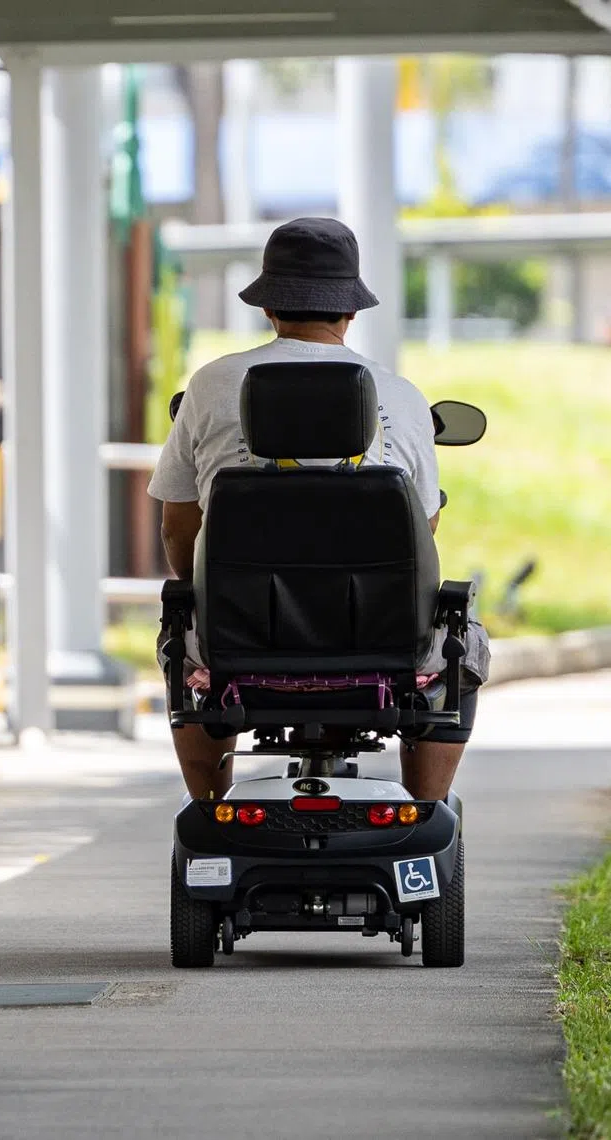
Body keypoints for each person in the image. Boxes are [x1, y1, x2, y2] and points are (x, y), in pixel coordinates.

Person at [147, 217, 489, 803]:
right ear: (349, 312)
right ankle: (427, 811)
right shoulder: (402, 398)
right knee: (466, 643)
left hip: (237, 640)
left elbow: (179, 523)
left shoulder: (210, 387)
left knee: (181, 640)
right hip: (385, 642)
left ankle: (209, 805)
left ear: (268, 307)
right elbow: (423, 536)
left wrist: (202, 596)